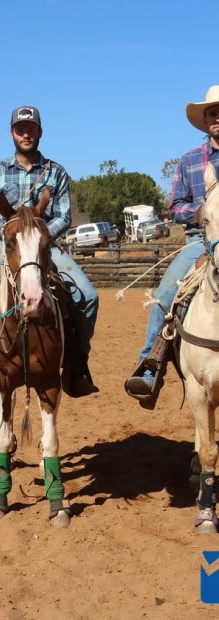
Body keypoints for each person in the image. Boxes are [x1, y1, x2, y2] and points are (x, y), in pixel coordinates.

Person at [0, 105, 99, 399]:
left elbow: (64, 216)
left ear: (40, 133)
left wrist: (38, 236)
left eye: (31, 129)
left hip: (45, 245)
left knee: (88, 297)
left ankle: (77, 364)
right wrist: (12, 233)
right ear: (12, 134)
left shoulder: (56, 172)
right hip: (3, 243)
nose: (26, 134)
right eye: (21, 130)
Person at [125, 85, 219, 400]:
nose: (217, 118)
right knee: (166, 293)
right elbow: (176, 207)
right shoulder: (189, 160)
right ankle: (150, 366)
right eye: (212, 113)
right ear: (205, 120)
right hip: (200, 241)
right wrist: (200, 212)